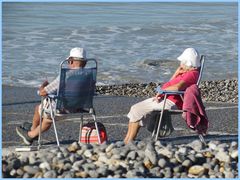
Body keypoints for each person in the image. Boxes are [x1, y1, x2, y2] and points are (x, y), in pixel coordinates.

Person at [124, 48, 201, 144]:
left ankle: (129, 141)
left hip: (173, 101)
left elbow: (177, 88)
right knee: (135, 108)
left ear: (188, 63)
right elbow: (170, 83)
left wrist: (162, 91)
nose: (180, 63)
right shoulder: (185, 73)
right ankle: (127, 140)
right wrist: (176, 73)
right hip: (166, 97)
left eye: (182, 61)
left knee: (138, 110)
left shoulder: (192, 74)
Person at [16, 47, 87, 145]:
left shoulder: (66, 75)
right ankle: (33, 130)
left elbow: (44, 92)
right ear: (85, 63)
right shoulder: (89, 75)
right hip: (79, 108)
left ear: (70, 61)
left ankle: (31, 134)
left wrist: (43, 86)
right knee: (45, 112)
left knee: (42, 113)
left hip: (62, 110)